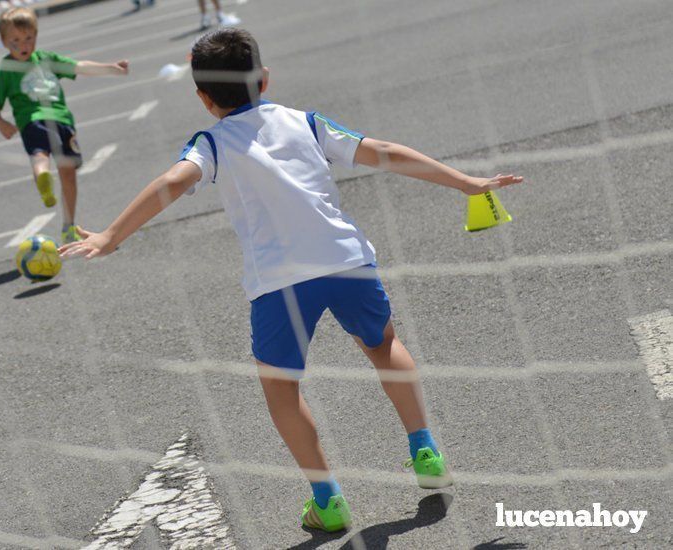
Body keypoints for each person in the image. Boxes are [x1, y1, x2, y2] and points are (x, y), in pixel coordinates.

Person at [59, 28, 524, 532]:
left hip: (278, 280)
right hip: (346, 259)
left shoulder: (211, 142)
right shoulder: (306, 122)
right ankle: (424, 448)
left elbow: (174, 181)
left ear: (203, 98)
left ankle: (327, 500)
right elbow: (384, 150)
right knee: (383, 345)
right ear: (264, 78)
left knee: (281, 390)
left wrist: (111, 235)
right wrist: (465, 182)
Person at [0, 7, 129, 244]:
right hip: (33, 119)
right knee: (40, 155)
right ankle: (43, 179)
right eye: (16, 41)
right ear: (4, 42)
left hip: (62, 120)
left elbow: (78, 67)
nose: (24, 45)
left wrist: (112, 68)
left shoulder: (46, 59)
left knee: (68, 173)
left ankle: (68, 226)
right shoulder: (6, 69)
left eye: (29, 38)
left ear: (36, 35)